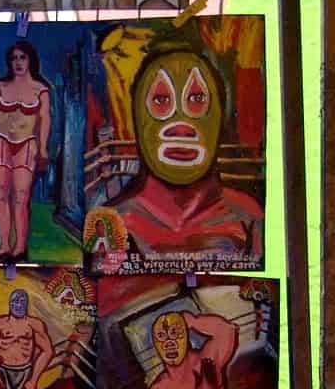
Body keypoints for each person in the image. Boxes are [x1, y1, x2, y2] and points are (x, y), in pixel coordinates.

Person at [104, 45, 262, 264]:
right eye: (160, 100)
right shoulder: (111, 224)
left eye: (197, 98)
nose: (180, 127)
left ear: (218, 117)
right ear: (139, 119)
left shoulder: (248, 216)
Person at [0, 41, 51, 261]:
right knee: (0, 195)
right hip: (1, 143)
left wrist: (43, 149)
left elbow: (45, 120)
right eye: (14, 58)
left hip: (27, 145)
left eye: (22, 57)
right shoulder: (0, 87)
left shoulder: (41, 90)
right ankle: (3, 246)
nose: (18, 62)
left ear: (30, 60)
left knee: (21, 196)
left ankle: (19, 248)